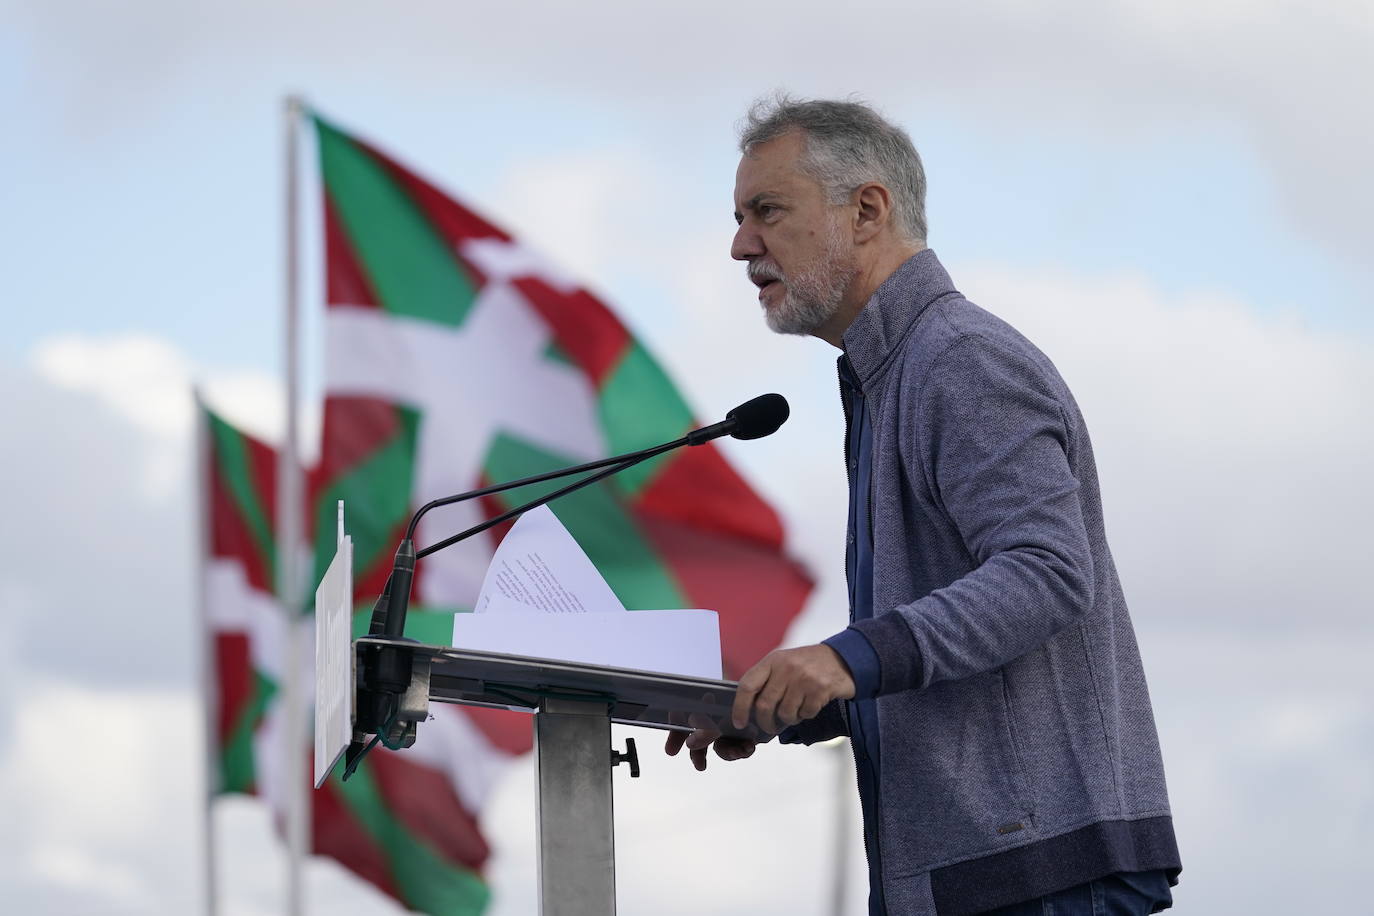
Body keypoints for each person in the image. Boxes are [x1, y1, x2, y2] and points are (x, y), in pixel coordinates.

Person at [665, 96, 1182, 915]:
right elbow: (929, 654)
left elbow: (1047, 573)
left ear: (866, 209)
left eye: (767, 211)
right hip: (982, 874)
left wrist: (842, 659)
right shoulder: (888, 376)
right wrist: (784, 705)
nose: (741, 244)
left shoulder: (958, 360)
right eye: (738, 216)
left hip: (1037, 876)